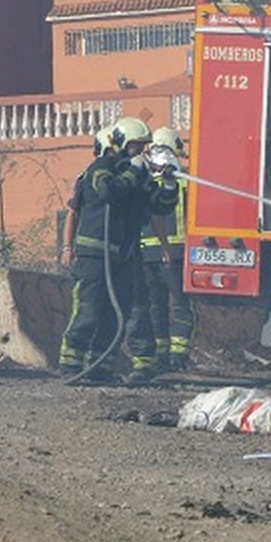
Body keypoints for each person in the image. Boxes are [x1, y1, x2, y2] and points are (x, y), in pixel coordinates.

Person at [57, 117, 177, 381]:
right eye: (136, 146)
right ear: (121, 143)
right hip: (95, 256)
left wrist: (168, 184)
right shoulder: (101, 167)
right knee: (89, 311)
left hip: (124, 257)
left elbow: (160, 206)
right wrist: (134, 170)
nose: (141, 152)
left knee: (118, 314)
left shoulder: (136, 175)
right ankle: (70, 366)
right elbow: (108, 191)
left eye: (143, 147)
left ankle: (101, 368)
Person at [126, 126, 195, 381]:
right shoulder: (181, 180)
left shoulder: (143, 180)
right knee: (179, 305)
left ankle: (160, 355)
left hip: (146, 253)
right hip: (174, 253)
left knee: (154, 306)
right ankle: (177, 356)